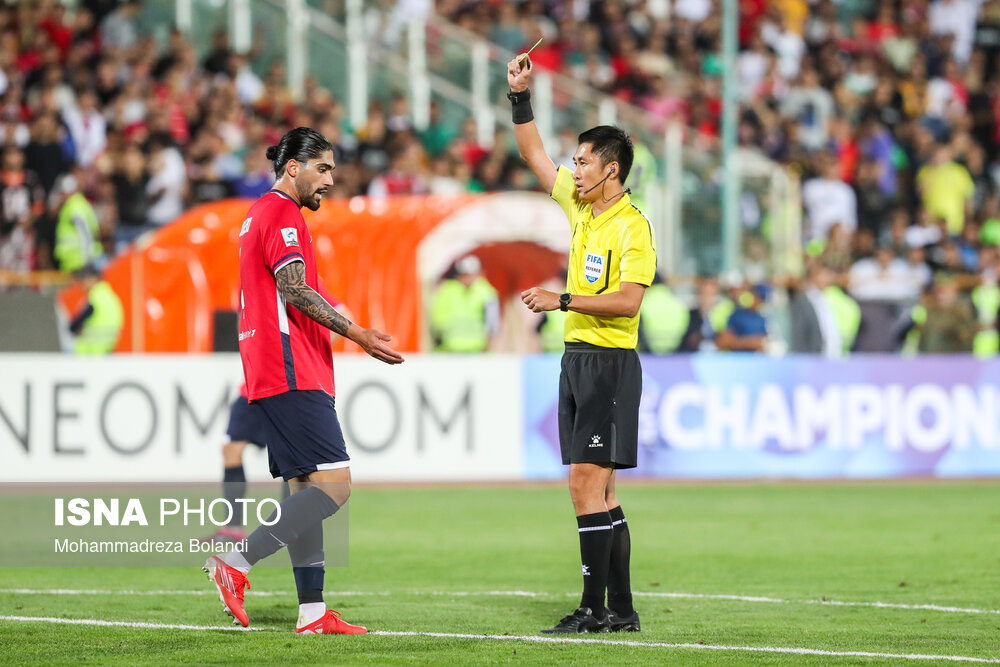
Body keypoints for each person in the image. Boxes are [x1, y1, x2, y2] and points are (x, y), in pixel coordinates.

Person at [204, 127, 404, 635]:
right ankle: (237, 562)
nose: (331, 180)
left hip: (274, 368)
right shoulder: (282, 214)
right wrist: (357, 332)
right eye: (324, 168)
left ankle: (312, 613)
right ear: (293, 167)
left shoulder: (258, 216)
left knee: (305, 487)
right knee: (336, 488)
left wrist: (333, 305)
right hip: (291, 366)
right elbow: (292, 290)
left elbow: (292, 287)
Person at [508, 53, 655, 634]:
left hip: (610, 362)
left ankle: (594, 611)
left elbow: (628, 301)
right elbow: (531, 154)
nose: (572, 169)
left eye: (583, 160)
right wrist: (520, 95)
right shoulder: (583, 208)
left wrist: (561, 300)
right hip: (579, 359)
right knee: (604, 490)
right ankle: (620, 609)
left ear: (610, 169)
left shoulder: (632, 225)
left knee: (583, 485)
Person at [429, 254, 500, 353]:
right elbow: (437, 321)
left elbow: (492, 324)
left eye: (470, 274)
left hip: (478, 350)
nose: (467, 278)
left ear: (479, 274)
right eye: (464, 274)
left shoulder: (487, 293)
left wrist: (488, 347)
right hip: (449, 350)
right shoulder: (447, 291)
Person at [67, 264, 123, 355]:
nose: (82, 284)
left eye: (83, 279)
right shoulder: (109, 296)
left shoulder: (95, 298)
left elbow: (74, 325)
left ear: (92, 279)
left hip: (91, 352)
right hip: (106, 349)